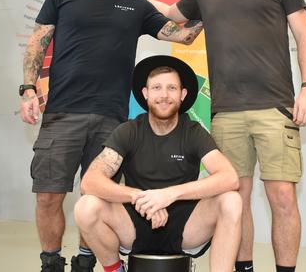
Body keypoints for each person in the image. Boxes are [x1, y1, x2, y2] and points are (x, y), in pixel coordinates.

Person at [134, 0, 306, 271]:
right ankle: (244, 267)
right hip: (226, 112)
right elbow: (171, 13)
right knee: (236, 197)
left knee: (282, 197)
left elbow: (304, 34)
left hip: (275, 108)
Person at [19, 0, 203, 272]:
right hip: (62, 114)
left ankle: (87, 262)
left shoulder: (135, 7)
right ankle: (51, 263)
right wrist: (28, 89)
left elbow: (184, 35)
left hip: (111, 120)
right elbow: (37, 41)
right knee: (48, 196)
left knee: (98, 197)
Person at [74, 55, 242, 272]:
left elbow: (229, 177)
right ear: (145, 94)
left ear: (182, 95)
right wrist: (140, 198)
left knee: (232, 200)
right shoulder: (129, 131)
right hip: (134, 223)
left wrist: (169, 194)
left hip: (186, 226)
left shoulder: (194, 132)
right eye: (156, 88)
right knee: (86, 207)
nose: (164, 95)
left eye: (172, 88)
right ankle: (115, 270)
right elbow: (90, 182)